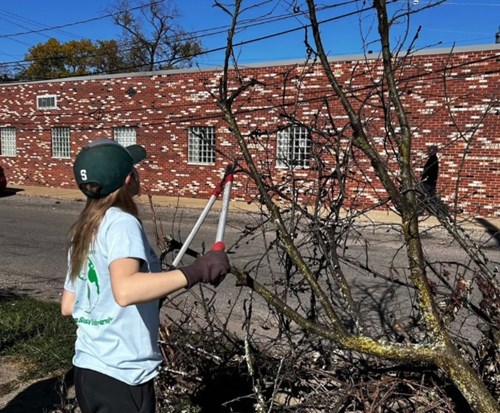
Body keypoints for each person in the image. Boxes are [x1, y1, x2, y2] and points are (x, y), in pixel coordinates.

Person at [61, 139, 230, 413]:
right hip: (122, 375)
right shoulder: (121, 223)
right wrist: (196, 270)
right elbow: (126, 290)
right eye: (135, 171)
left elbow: (70, 305)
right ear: (129, 180)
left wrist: (151, 296)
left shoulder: (84, 229)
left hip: (88, 371)